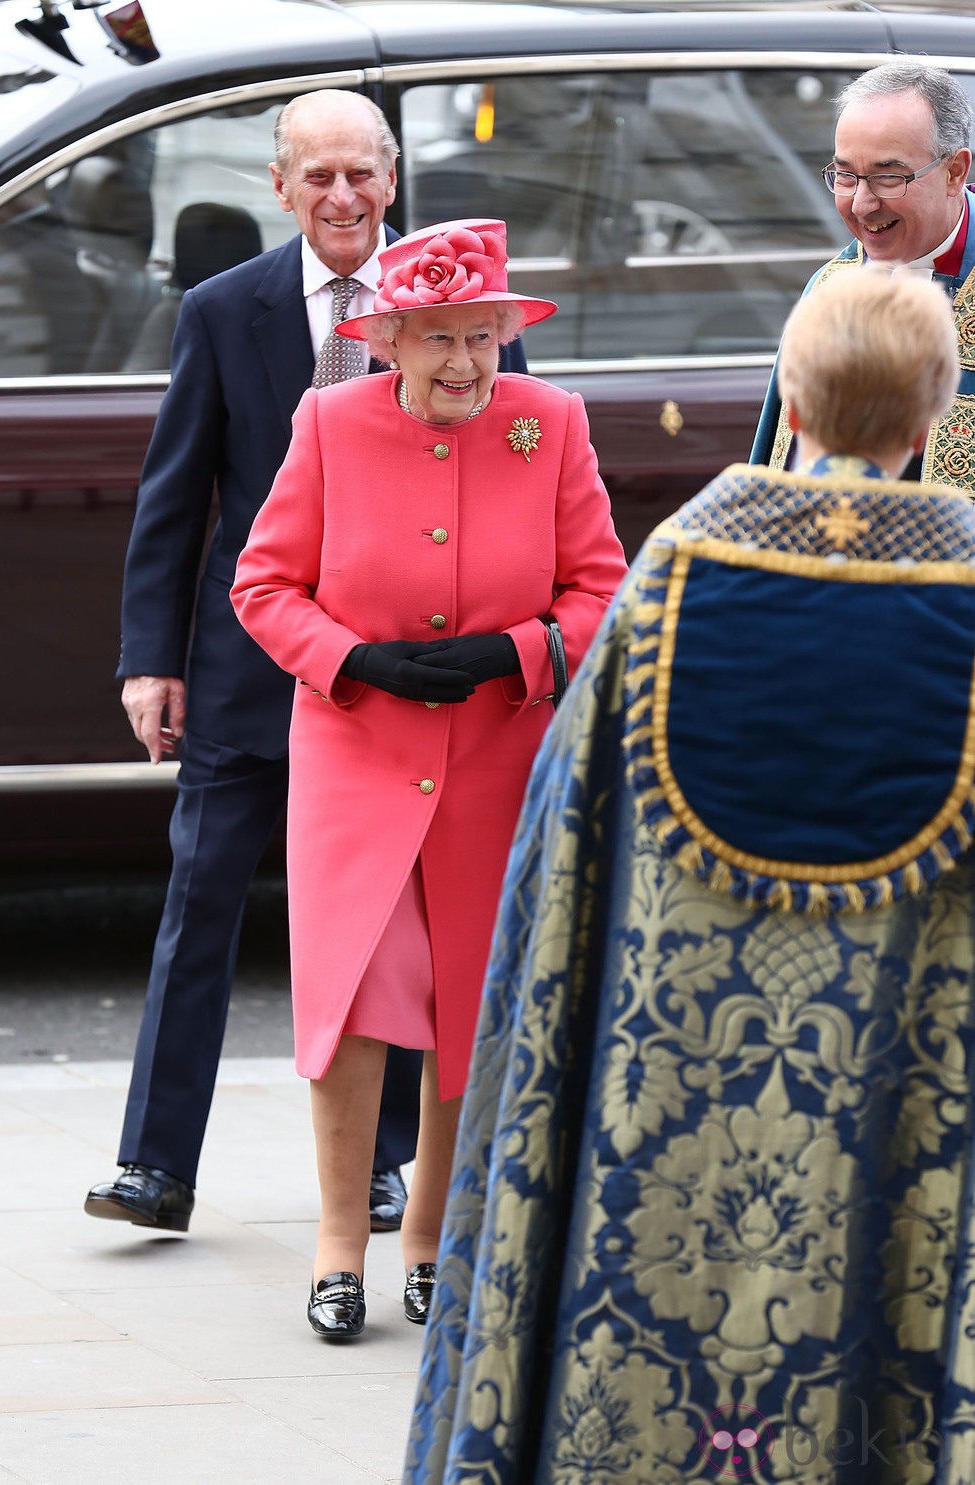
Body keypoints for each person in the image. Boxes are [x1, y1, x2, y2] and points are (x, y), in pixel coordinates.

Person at [403, 269, 975, 1483]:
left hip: (656, 1126)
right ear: (930, 417)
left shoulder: (673, 573)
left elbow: (558, 869)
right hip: (900, 1110)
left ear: (795, 403)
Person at [84, 92, 528, 1238]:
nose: (341, 197)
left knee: (402, 923)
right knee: (200, 907)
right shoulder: (222, 311)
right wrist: (151, 659)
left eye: (361, 175)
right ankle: (153, 1166)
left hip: (410, 681)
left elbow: (500, 472)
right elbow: (176, 497)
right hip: (250, 665)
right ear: (278, 187)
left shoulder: (462, 310)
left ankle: (386, 1171)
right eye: (316, 176)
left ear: (392, 182)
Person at [229, 217, 628, 1340]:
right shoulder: (327, 421)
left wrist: (516, 652)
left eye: (483, 339)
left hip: (497, 755)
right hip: (356, 753)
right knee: (354, 997)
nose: (464, 364)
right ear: (388, 341)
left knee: (466, 995)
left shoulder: (549, 424)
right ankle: (337, 1245)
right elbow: (263, 587)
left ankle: (433, 1239)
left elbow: (602, 588)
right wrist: (347, 660)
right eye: (439, 340)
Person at [752, 57, 974, 488]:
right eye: (845, 176)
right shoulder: (829, 288)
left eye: (888, 178)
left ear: (954, 172)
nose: (860, 205)